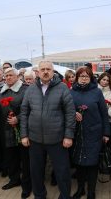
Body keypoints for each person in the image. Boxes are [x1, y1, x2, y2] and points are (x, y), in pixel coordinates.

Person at [20, 60, 75, 199]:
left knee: (62, 172)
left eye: (48, 69)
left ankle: (64, 195)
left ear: (53, 71)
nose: (45, 72)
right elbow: (24, 112)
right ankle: (39, 195)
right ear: (37, 72)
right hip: (35, 139)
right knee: (36, 171)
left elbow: (70, 114)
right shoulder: (31, 89)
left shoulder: (62, 88)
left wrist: (68, 136)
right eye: (42, 69)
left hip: (57, 139)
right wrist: (24, 135)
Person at [71, 66, 110, 199]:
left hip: (94, 133)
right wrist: (73, 113)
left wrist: (106, 133)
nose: (83, 79)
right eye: (81, 76)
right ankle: (80, 188)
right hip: (77, 133)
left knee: (92, 164)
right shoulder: (72, 92)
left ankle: (91, 192)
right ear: (77, 78)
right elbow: (65, 110)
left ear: (91, 78)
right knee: (79, 163)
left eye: (86, 76)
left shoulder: (97, 92)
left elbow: (104, 114)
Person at [0, 68, 31, 199]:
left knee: (25, 158)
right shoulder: (0, 90)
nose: (8, 78)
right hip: (6, 129)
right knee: (11, 156)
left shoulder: (26, 89)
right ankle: (14, 179)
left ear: (18, 76)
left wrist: (17, 118)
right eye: (6, 76)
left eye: (11, 75)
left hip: (22, 128)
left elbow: (30, 108)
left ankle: (27, 184)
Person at [97, 72, 111, 150]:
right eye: (103, 79)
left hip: (110, 120)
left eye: (107, 80)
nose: (105, 82)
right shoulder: (95, 89)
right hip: (98, 120)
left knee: (109, 140)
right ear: (99, 79)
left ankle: (109, 158)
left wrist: (108, 113)